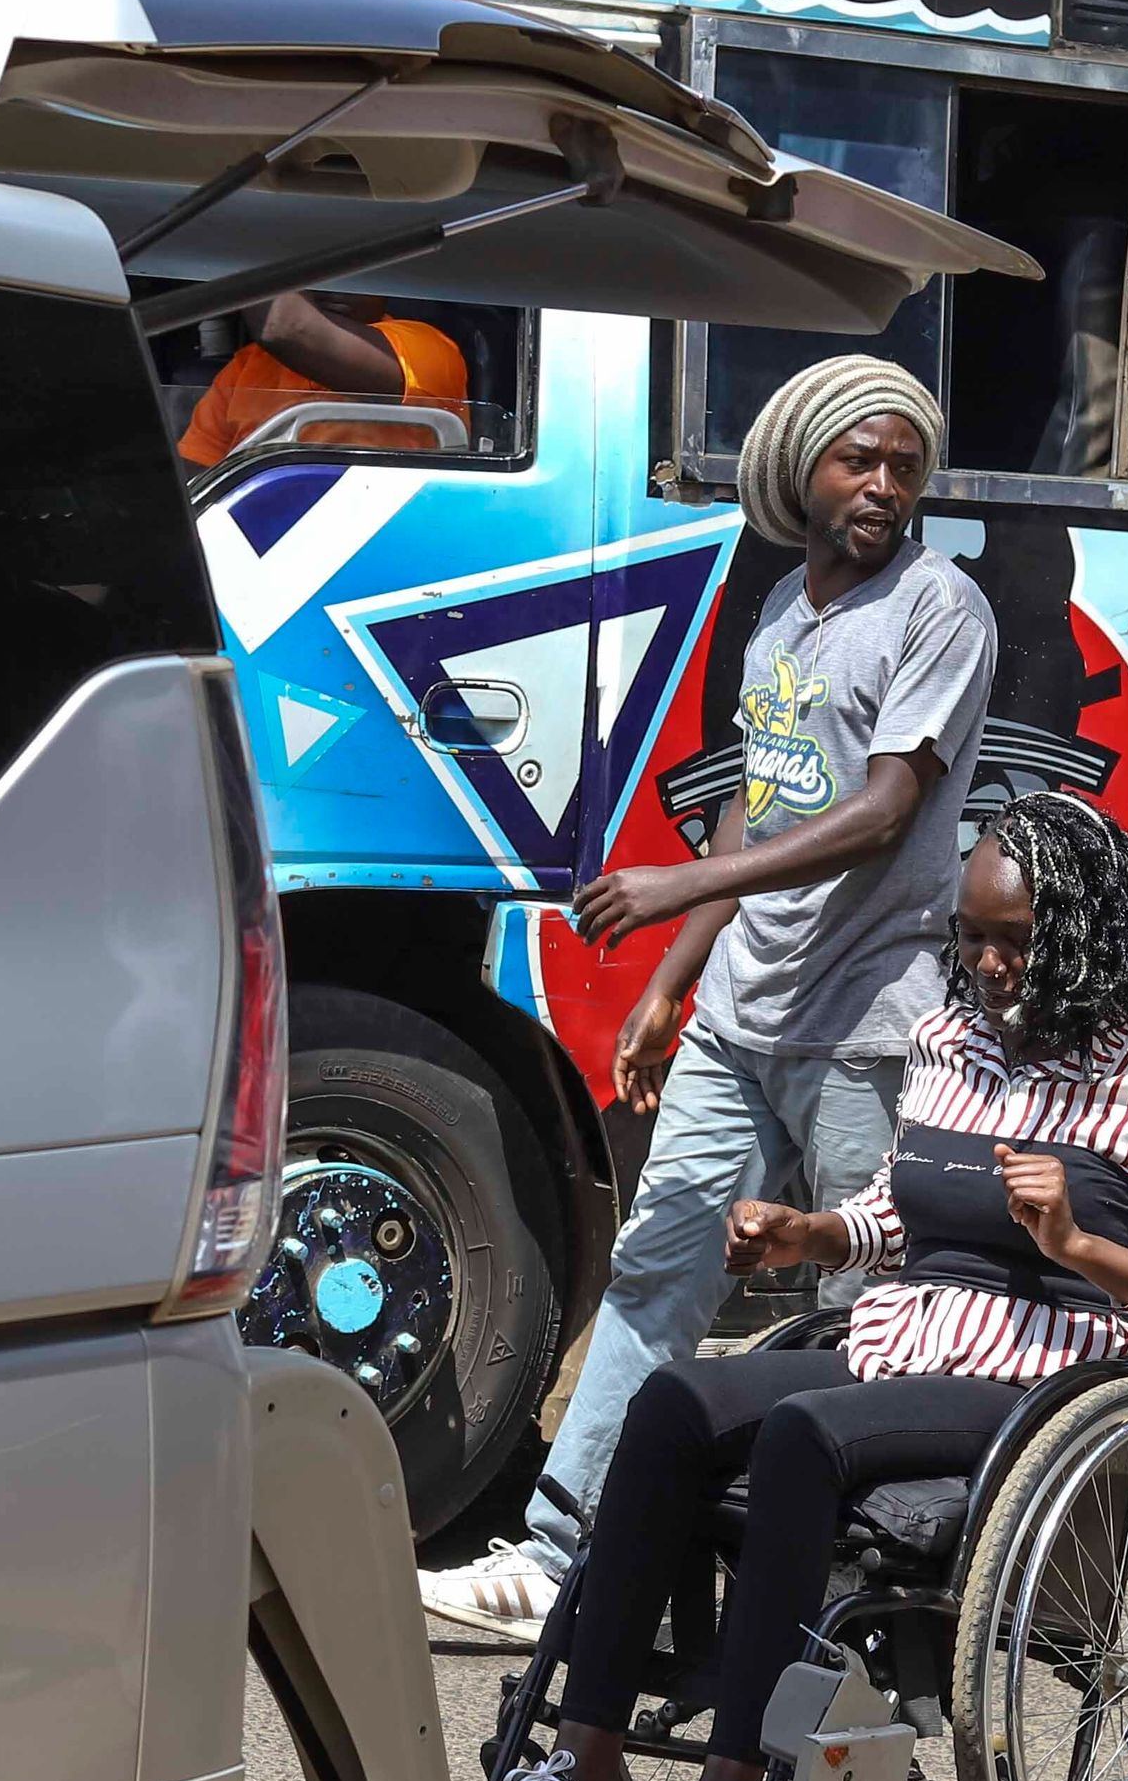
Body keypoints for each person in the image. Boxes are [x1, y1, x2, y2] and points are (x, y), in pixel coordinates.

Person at [454, 797, 1128, 1781]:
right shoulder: (946, 1045)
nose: (988, 965)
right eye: (973, 938)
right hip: (899, 1344)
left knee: (806, 1434)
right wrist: (818, 1229)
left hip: (1041, 1380)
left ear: (1082, 934)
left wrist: (1087, 1247)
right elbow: (904, 1215)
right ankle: (587, 1762)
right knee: (673, 1402)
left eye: (1016, 941)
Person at [417, 357, 997, 1644]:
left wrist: (688, 874)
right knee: (658, 1265)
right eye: (860, 460)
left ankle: (860, 1593)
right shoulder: (785, 609)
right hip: (741, 1014)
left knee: (867, 1304)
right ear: (803, 471)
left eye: (904, 463)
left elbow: (887, 806)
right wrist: (678, 968)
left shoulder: (941, 608)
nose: (885, 485)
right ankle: (568, 1544)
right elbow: (770, 787)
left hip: (867, 1020)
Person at [172, 291, 469, 469]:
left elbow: (284, 326)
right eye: (321, 272)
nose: (335, 286)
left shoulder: (427, 346)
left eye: (357, 270)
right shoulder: (248, 365)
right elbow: (197, 470)